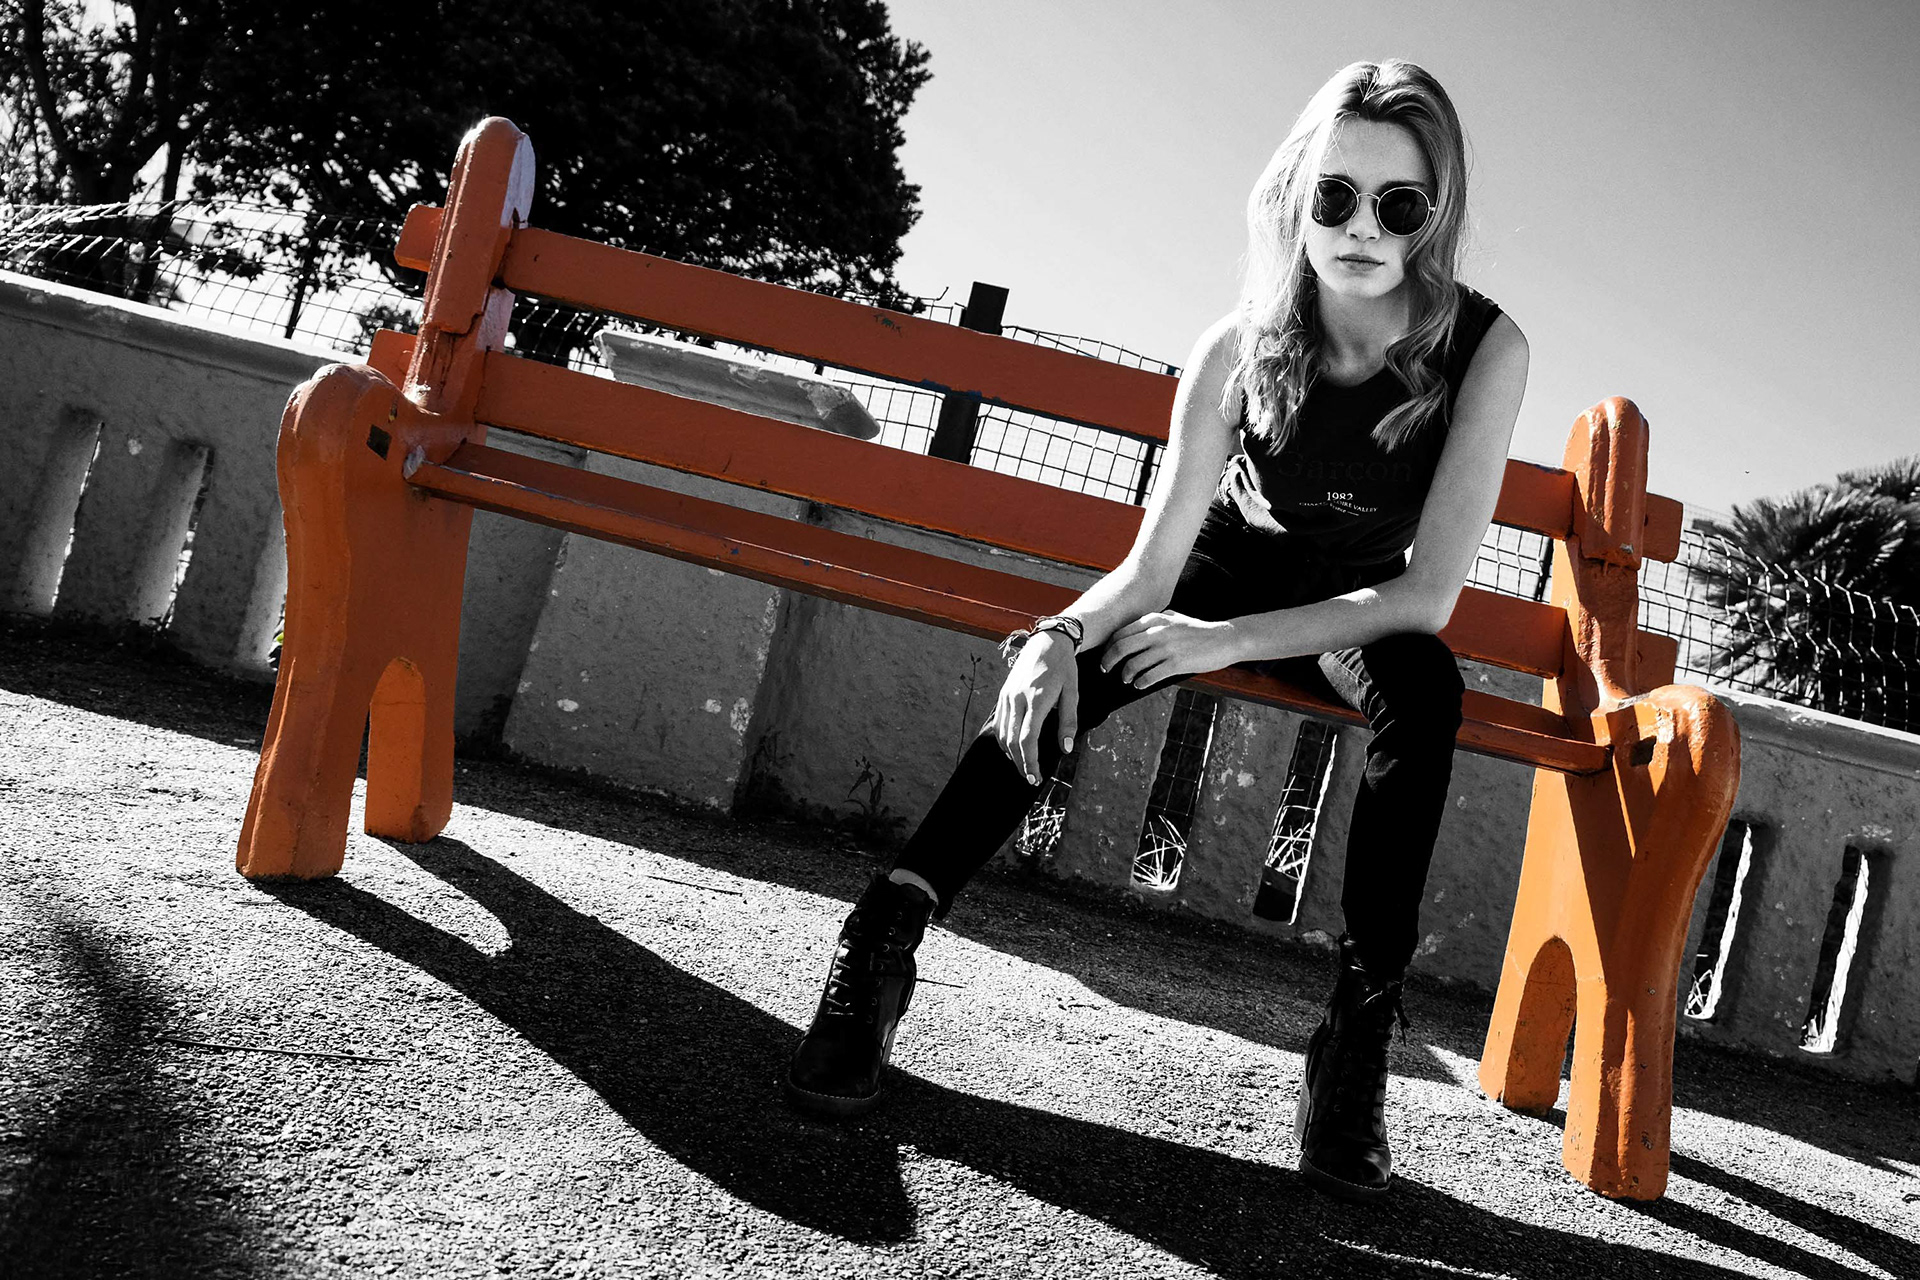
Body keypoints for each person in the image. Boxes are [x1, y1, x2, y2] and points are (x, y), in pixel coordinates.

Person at [782, 58, 1529, 1204]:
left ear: (1438, 213)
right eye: (1335, 195)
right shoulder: (1240, 345)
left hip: (1358, 604)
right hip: (1228, 567)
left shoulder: (1484, 348)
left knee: (1424, 692)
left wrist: (1221, 643)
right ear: (1295, 197)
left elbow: (1426, 598)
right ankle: (885, 933)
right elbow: (1153, 571)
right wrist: (1054, 635)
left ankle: (1356, 1034)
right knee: (1070, 674)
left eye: (1399, 204)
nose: (1362, 229)